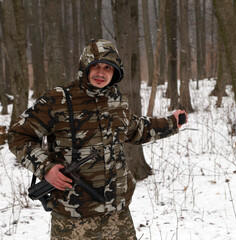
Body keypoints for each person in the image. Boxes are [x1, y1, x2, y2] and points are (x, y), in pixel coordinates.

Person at [8, 39, 187, 239]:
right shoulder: (57, 100)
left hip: (117, 215)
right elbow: (18, 136)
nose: (101, 73)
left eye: (108, 68)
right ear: (85, 67)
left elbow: (134, 130)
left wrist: (171, 123)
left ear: (115, 72)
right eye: (95, 66)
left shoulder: (117, 101)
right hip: (73, 217)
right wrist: (46, 168)